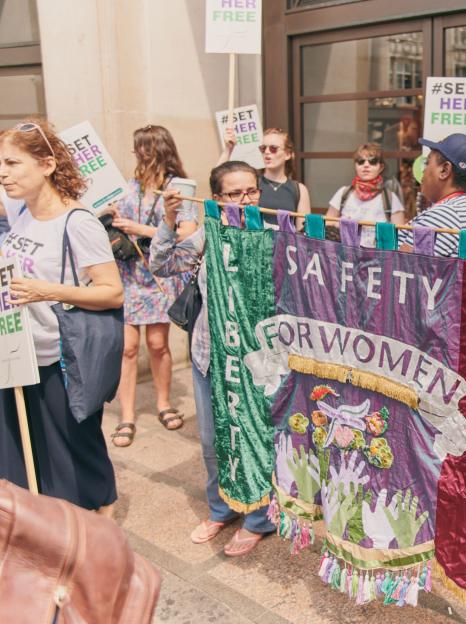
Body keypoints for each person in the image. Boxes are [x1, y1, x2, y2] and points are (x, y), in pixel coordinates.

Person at [150, 161, 273, 557]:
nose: (245, 200)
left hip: (257, 360)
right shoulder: (208, 235)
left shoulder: (274, 234)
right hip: (209, 357)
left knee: (256, 438)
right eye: (234, 194)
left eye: (251, 191)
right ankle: (221, 509)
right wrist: (168, 221)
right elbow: (162, 264)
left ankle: (259, 519)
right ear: (216, 199)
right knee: (212, 440)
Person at [0, 120, 123, 513]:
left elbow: (111, 291)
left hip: (60, 358)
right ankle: (45, 535)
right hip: (17, 353)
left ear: (47, 165)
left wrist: (44, 290)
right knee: (26, 453)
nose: (3, 173)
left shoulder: (77, 222)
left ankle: (95, 539)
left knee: (75, 458)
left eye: (13, 163)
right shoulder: (20, 209)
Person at [109, 124, 198, 446]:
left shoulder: (178, 187)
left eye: (142, 147)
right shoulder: (130, 186)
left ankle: (163, 402)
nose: (138, 153)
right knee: (127, 348)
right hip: (127, 273)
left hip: (157, 274)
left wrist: (140, 229)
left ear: (156, 149)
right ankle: (127, 415)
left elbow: (187, 232)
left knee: (158, 345)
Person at [397, 133, 466, 262]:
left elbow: (402, 269)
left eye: (427, 163)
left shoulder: (440, 217)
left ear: (444, 170)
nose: (423, 170)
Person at [221, 127, 311, 228]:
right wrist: (228, 150)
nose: (267, 152)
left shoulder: (299, 189)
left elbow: (302, 231)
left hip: (285, 242)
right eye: (263, 148)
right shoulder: (252, 184)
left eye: (273, 148)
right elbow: (219, 180)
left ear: (287, 154)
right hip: (255, 240)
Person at [327, 142, 405, 247]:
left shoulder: (390, 198)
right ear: (355, 165)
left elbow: (400, 236)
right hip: (345, 256)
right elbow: (327, 224)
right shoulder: (343, 193)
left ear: (381, 167)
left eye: (372, 161)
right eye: (361, 161)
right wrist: (341, 225)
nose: (366, 165)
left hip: (377, 259)